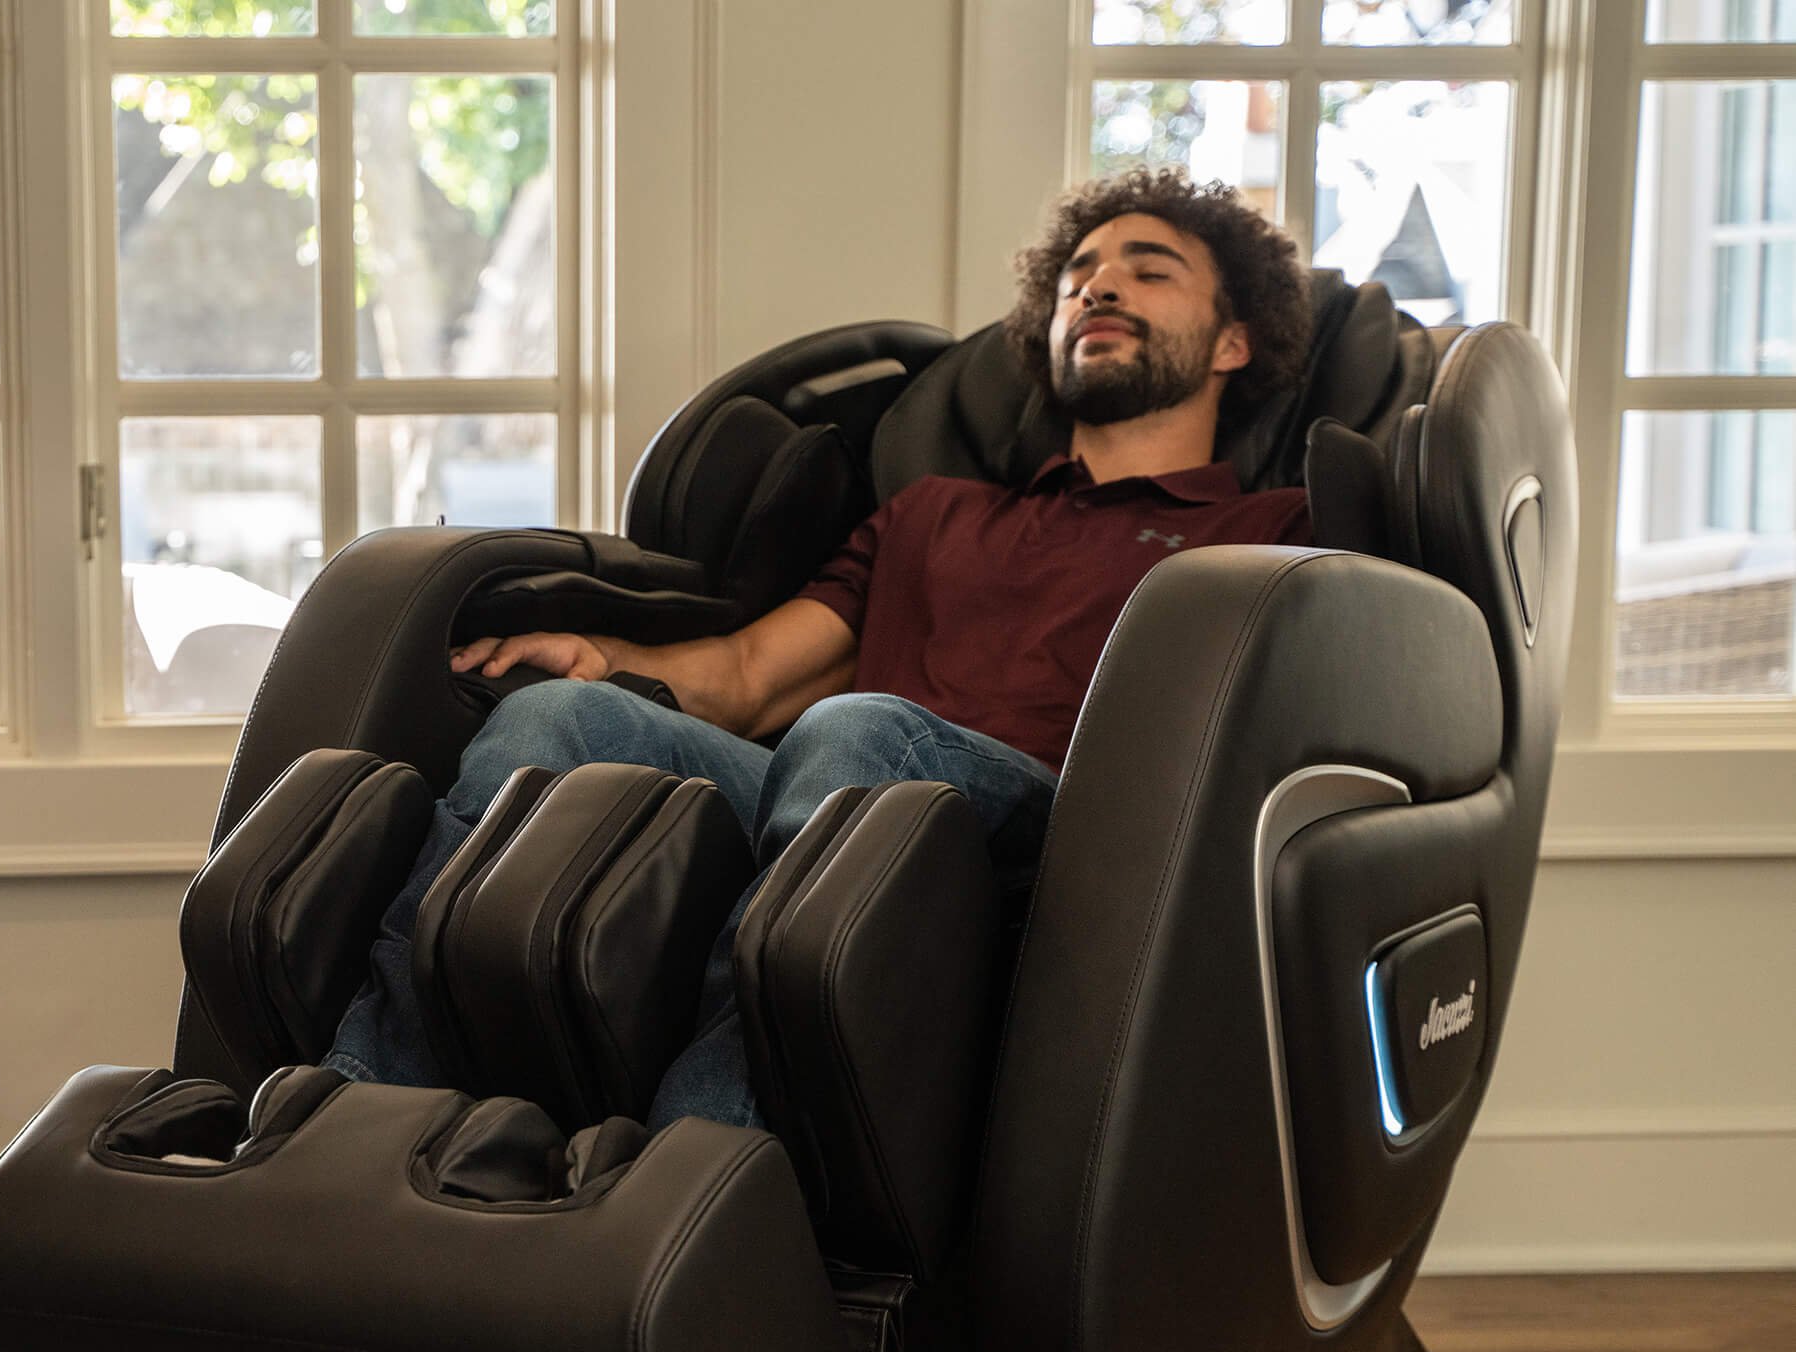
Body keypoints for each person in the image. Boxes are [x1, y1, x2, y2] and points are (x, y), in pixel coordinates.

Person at [322, 166, 1319, 1130]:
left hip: (1057, 839)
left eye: (1149, 269)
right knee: (549, 714)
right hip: (841, 783)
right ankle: (356, 1105)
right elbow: (750, 678)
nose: (1099, 284)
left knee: (859, 730)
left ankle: (704, 1150)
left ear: (1232, 343)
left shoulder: (1265, 535)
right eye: (1078, 275)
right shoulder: (932, 513)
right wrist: (600, 655)